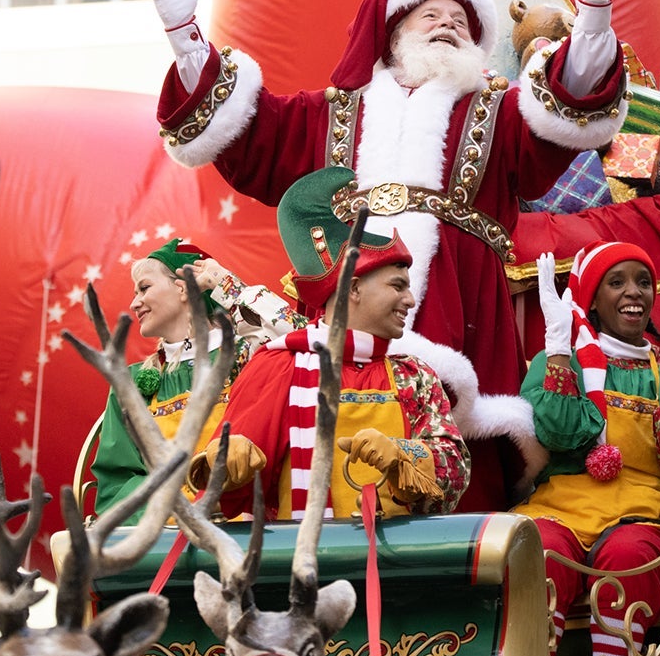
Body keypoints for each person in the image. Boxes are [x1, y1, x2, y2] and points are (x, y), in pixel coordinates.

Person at [147, 0, 629, 504]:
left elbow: (569, 109)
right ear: (395, 31)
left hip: (461, 307)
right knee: (317, 448)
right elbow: (247, 136)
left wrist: (595, 10)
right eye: (433, 16)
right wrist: (183, 35)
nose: (448, 27)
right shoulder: (330, 113)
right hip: (344, 311)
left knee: (461, 460)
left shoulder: (498, 111)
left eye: (462, 23)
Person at [188, 167, 471, 520]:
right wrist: (227, 465)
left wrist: (404, 456)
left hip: (397, 568)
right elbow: (225, 501)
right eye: (398, 286)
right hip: (301, 565)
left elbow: (456, 477)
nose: (411, 300)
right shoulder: (279, 366)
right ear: (352, 288)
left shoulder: (415, 376)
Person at [511, 242, 660, 656]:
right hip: (563, 505)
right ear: (594, 301)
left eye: (644, 283)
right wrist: (555, 349)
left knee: (628, 557)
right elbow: (560, 434)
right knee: (539, 551)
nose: (634, 292)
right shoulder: (557, 361)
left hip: (640, 509)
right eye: (616, 282)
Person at [85, 237, 304, 519]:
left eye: (144, 288)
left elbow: (305, 339)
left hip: (251, 538)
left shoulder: (250, 355)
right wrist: (175, 509)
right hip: (168, 544)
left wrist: (226, 284)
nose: (134, 302)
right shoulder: (131, 382)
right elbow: (116, 484)